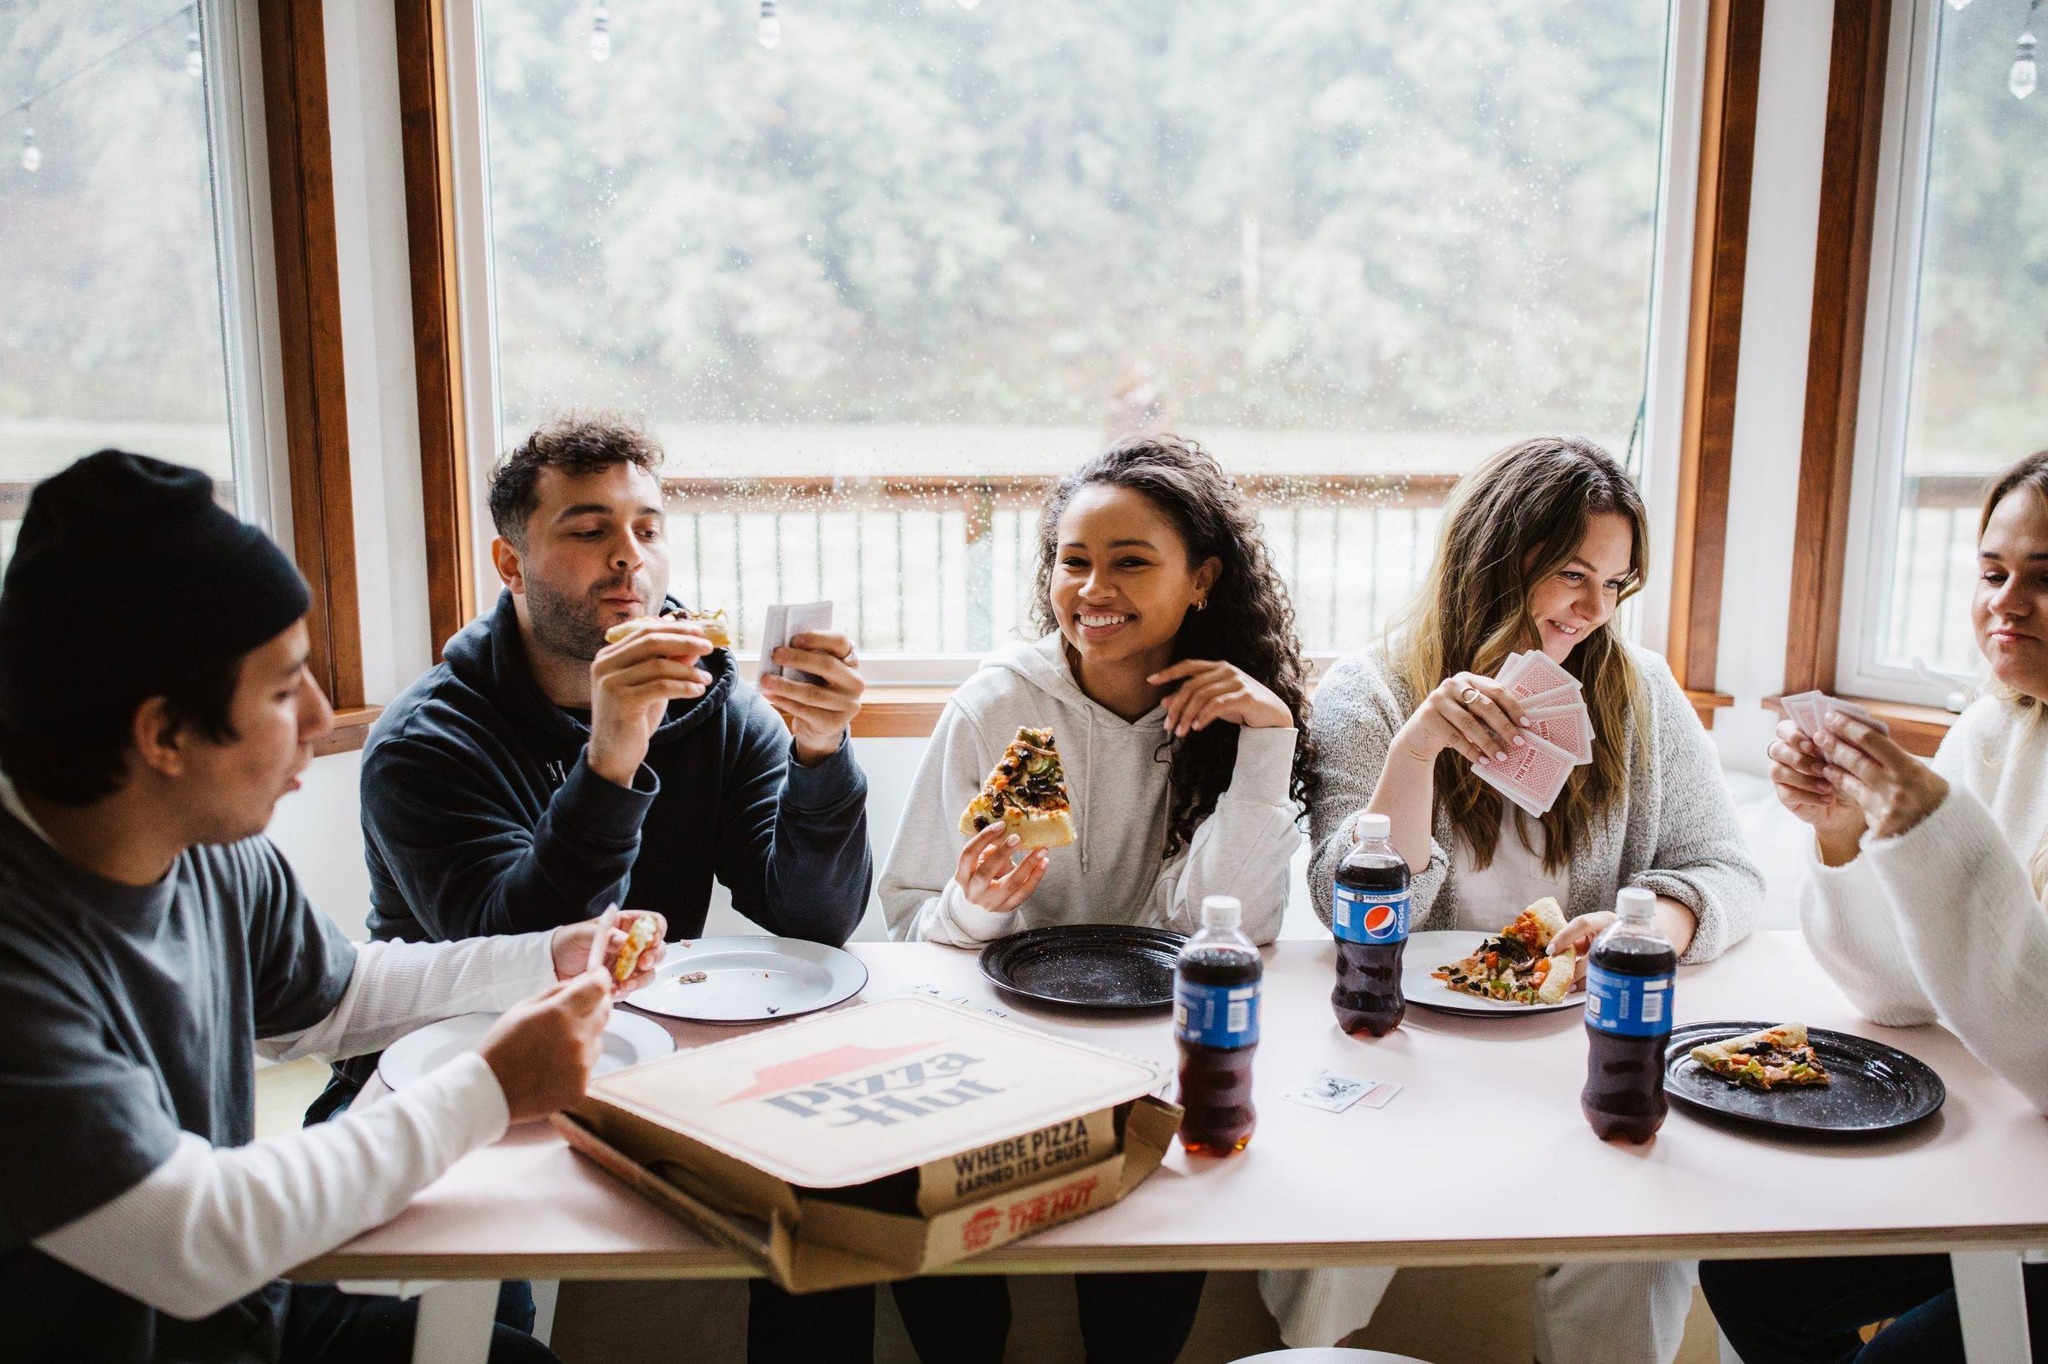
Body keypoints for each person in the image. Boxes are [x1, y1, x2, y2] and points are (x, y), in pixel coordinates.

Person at [0, 451, 665, 1364]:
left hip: (245, 1317)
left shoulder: (208, 846)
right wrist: (490, 1089)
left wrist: (544, 956)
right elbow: (190, 1236)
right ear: (162, 734)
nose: (319, 719)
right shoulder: (19, 958)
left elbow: (335, 995)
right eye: (283, 690)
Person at [330, 416, 874, 1360]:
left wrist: (821, 753)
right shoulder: (427, 742)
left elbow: (813, 919)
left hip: (658, 1049)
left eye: (648, 529)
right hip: (449, 1063)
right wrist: (612, 753)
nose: (630, 558)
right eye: (589, 530)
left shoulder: (717, 703)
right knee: (474, 1316)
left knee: (835, 1202)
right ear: (511, 561)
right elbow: (524, 961)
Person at [1266, 436, 1762, 1363]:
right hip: (1405, 1040)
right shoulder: (1370, 694)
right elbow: (1347, 906)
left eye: (1615, 584)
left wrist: (1645, 927)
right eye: (1573, 575)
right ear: (1494, 559)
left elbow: (1726, 869)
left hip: (1571, 1043)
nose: (1594, 610)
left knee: (1644, 1236)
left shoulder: (1638, 693)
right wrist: (1418, 749)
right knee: (1324, 1222)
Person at [881, 434, 1316, 1362]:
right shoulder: (997, 707)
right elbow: (912, 931)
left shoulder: (1232, 717)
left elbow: (1230, 930)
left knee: (1138, 1319)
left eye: (1130, 562)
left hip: (1156, 1051)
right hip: (994, 1047)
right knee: (950, 1303)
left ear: (1202, 580)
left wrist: (1269, 739)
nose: (1093, 588)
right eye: (1073, 561)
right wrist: (977, 905)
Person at [1701, 451, 2048, 1363]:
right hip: (2005, 1153)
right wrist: (1847, 834)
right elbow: (1902, 997)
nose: (2008, 603)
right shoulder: (1995, 729)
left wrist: (1931, 828)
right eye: (1993, 573)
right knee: (1750, 1278)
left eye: (2046, 579)